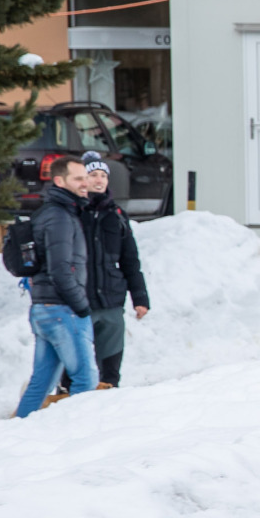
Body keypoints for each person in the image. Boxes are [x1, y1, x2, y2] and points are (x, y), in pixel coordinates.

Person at [15, 154, 99, 416]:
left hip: (44, 308)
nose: (85, 183)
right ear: (60, 181)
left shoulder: (51, 213)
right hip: (62, 310)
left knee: (41, 382)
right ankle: (76, 438)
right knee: (85, 380)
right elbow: (61, 270)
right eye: (78, 179)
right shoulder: (60, 217)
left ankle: (18, 431)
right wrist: (82, 307)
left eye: (86, 177)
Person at [78, 152, 150, 387]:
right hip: (79, 301)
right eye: (92, 175)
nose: (99, 181)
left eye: (103, 176)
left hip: (111, 300)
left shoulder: (117, 215)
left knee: (110, 369)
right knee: (76, 366)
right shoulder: (72, 212)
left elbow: (130, 260)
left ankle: (110, 401)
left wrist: (139, 297)